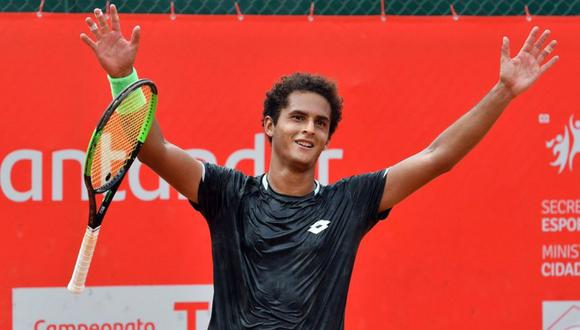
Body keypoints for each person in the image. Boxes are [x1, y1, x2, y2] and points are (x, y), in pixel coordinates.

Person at [81, 4, 559, 329]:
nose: (309, 129)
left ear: (328, 136)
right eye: (297, 118)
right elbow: (152, 149)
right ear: (269, 126)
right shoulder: (227, 193)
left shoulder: (350, 202)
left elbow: (439, 157)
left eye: (321, 122)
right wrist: (121, 74)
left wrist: (504, 92)